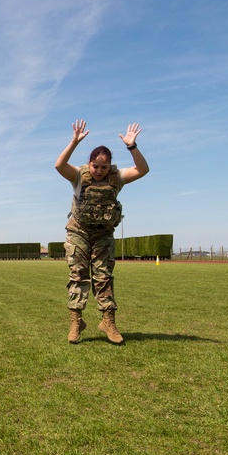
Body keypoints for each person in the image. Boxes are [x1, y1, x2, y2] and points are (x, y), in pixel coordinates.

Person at [55, 119, 150, 344]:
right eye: (96, 167)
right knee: (78, 275)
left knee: (104, 278)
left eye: (104, 167)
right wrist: (74, 142)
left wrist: (132, 146)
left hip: (103, 236)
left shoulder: (117, 178)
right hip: (79, 232)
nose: (99, 171)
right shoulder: (79, 175)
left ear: (110, 166)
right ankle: (76, 321)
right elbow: (59, 165)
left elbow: (143, 170)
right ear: (90, 164)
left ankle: (108, 321)